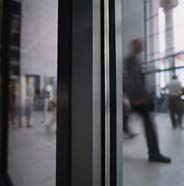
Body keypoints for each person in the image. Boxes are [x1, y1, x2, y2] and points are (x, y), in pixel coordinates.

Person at [124, 39, 171, 163]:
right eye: (139, 44)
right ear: (134, 46)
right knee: (149, 126)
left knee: (144, 123)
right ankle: (154, 154)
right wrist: (136, 98)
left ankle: (154, 153)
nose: (142, 46)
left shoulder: (135, 60)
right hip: (138, 100)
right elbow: (130, 81)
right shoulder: (131, 60)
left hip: (138, 99)